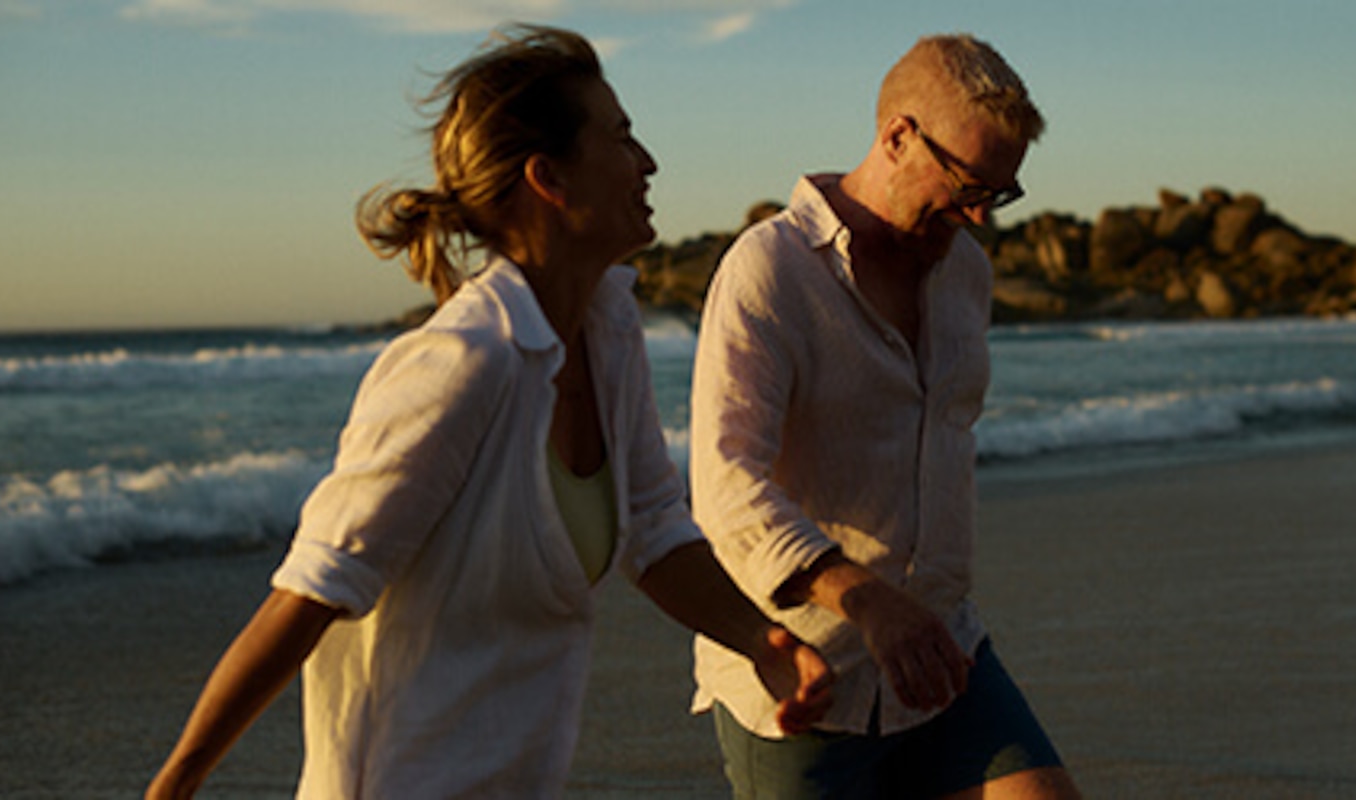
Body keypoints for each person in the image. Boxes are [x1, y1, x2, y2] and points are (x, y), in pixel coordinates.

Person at [147, 25, 831, 799]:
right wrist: (176, 781)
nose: (648, 163)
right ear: (550, 179)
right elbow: (312, 591)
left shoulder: (607, 327)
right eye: (622, 137)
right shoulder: (462, 363)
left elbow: (655, 529)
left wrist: (760, 642)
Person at [688, 34, 1081, 798]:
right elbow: (726, 484)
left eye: (998, 195)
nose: (978, 217)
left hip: (943, 653)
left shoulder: (966, 271)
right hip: (804, 676)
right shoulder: (768, 270)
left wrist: (912, 614)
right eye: (968, 184)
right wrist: (866, 600)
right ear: (898, 136)